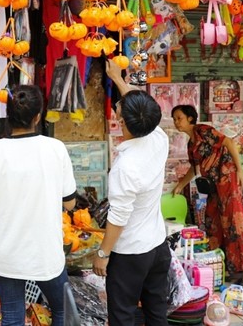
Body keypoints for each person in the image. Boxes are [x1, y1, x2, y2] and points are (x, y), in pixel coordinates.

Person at [0, 85, 77, 326]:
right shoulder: (55, 148)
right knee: (61, 311)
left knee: (12, 317)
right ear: (38, 116)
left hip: (7, 253)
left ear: (8, 116)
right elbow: (71, 203)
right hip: (46, 253)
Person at [92, 60, 171, 326]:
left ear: (121, 121)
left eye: (119, 109)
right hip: (158, 246)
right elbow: (141, 111)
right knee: (156, 311)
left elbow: (119, 216)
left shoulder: (125, 167)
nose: (116, 106)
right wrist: (117, 79)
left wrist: (103, 254)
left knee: (122, 315)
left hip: (130, 255)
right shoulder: (159, 138)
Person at [171, 104, 243, 291]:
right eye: (174, 119)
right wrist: (180, 185)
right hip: (212, 186)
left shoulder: (203, 130)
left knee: (236, 223)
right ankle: (230, 269)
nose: (176, 122)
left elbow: (229, 143)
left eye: (179, 118)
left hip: (228, 180)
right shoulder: (191, 144)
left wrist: (241, 171)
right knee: (214, 223)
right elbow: (194, 169)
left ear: (190, 118)